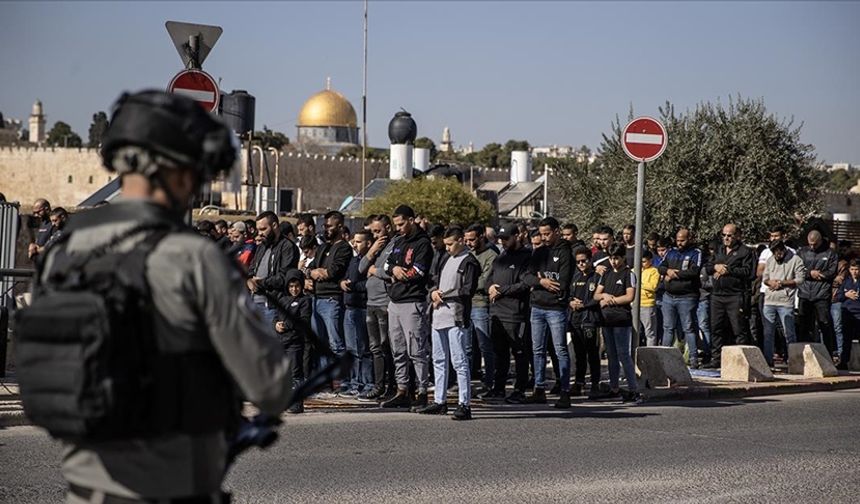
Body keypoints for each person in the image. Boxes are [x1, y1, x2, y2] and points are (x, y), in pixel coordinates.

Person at [33, 90, 293, 503]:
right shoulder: (192, 257)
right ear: (174, 170)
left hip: (85, 486)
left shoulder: (64, 252)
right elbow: (270, 384)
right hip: (171, 486)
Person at [418, 226, 480, 420]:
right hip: (438, 316)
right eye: (445, 244)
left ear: (461, 240)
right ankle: (439, 400)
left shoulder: (469, 261)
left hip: (456, 316)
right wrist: (433, 293)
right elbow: (435, 281)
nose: (447, 248)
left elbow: (468, 290)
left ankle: (464, 403)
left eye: (450, 244)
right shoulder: (446, 258)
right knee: (439, 360)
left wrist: (444, 295)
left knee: (459, 361)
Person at [381, 205, 434, 410]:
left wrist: (401, 275)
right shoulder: (398, 241)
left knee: (417, 350)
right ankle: (402, 389)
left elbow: (418, 271)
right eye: (396, 225)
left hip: (413, 302)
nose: (398, 228)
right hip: (395, 302)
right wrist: (394, 269)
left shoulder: (423, 244)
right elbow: (386, 265)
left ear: (412, 220)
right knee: (398, 350)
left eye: (401, 224)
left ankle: (421, 391)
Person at [523, 217, 573, 409]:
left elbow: (562, 282)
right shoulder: (539, 252)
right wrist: (541, 282)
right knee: (537, 350)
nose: (544, 238)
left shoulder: (565, 252)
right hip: (537, 306)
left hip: (556, 308)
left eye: (547, 234)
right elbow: (527, 276)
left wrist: (547, 282)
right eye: (541, 234)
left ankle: (565, 391)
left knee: (560, 350)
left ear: (556, 231)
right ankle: (539, 388)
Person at [308, 210, 354, 389]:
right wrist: (313, 272)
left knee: (336, 344)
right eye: (324, 225)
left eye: (329, 226)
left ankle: (342, 381)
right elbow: (310, 268)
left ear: (340, 226)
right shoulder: (322, 247)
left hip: (331, 299)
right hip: (316, 298)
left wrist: (320, 272)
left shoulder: (343, 248)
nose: (326, 229)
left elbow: (333, 272)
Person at [486, 226, 532, 403]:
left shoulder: (526, 257)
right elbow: (489, 278)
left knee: (519, 353)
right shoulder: (500, 257)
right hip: (497, 312)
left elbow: (525, 284)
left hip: (515, 314)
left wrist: (502, 291)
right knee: (500, 353)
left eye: (506, 238)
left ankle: (519, 389)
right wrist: (490, 287)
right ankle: (498, 388)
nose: (503, 242)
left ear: (516, 236)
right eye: (501, 239)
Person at [704, 223, 755, 368]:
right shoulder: (719, 250)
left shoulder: (745, 251)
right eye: (724, 235)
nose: (726, 238)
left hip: (735, 295)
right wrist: (715, 267)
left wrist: (728, 270)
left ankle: (742, 360)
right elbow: (708, 267)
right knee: (716, 327)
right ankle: (716, 359)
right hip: (717, 295)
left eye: (729, 235)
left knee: (738, 328)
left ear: (737, 236)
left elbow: (748, 272)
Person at [358, 214, 398, 401]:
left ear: (388, 228)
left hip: (385, 303)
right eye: (372, 232)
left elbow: (393, 273)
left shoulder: (395, 246)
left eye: (378, 231)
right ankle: (379, 385)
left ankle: (393, 386)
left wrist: (375, 271)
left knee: (387, 346)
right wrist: (372, 250)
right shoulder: (377, 248)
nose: (375, 235)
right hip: (371, 303)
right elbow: (361, 268)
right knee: (375, 347)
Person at [593, 244, 640, 402]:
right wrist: (604, 296)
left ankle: (633, 390)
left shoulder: (628, 274)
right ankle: (614, 388)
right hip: (607, 320)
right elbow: (596, 295)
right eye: (611, 258)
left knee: (624, 355)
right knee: (611, 356)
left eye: (616, 258)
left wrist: (611, 301)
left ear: (623, 258)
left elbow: (629, 297)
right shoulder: (606, 274)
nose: (614, 262)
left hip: (621, 320)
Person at [658, 227, 703, 367]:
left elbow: (694, 271)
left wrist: (676, 274)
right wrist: (669, 271)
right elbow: (661, 267)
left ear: (689, 239)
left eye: (682, 240)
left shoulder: (696, 253)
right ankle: (664, 356)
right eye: (678, 240)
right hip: (669, 296)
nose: (679, 243)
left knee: (688, 327)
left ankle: (693, 358)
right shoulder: (671, 252)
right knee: (668, 328)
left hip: (687, 297)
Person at [247, 211, 298, 331]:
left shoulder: (287, 247)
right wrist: (249, 280)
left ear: (274, 226)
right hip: (255, 301)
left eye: (263, 229)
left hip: (273, 305)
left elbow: (284, 276)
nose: (260, 233)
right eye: (258, 229)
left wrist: (261, 282)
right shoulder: (262, 246)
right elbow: (251, 269)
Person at [464, 223, 499, 397]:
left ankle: (489, 383)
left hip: (481, 305)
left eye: (472, 239)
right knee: (467, 347)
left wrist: (465, 285)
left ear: (481, 237)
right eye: (466, 240)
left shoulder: (491, 256)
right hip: (466, 304)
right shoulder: (467, 255)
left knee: (485, 346)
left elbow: (484, 282)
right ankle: (466, 383)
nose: (469, 243)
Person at [761, 240, 806, 367]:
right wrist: (771, 283)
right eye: (774, 253)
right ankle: (768, 362)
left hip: (785, 301)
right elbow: (765, 278)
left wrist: (782, 283)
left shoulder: (796, 260)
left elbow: (800, 279)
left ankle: (792, 361)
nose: (777, 256)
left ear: (783, 250)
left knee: (789, 333)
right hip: (769, 300)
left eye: (778, 252)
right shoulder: (770, 260)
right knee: (768, 333)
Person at [275, 270, 313, 414]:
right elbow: (276, 315)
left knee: (296, 372)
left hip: (296, 342)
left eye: (297, 286)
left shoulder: (305, 300)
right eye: (291, 286)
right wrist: (276, 325)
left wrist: (287, 325)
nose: (294, 289)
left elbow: (304, 321)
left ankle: (297, 403)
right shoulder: (283, 299)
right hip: (282, 340)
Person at [341, 229, 373, 396]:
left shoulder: (371, 261)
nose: (355, 244)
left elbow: (369, 284)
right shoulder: (354, 260)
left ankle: (367, 383)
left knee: (364, 349)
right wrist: (343, 283)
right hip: (349, 308)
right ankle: (354, 382)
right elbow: (346, 277)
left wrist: (354, 286)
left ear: (368, 243)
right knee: (351, 349)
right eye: (354, 241)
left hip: (362, 308)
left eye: (359, 241)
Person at [796, 230, 838, 354]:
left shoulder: (830, 253)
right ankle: (803, 353)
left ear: (820, 240)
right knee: (804, 325)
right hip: (805, 293)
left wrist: (821, 275)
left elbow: (832, 272)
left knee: (824, 324)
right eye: (810, 244)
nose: (812, 246)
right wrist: (810, 273)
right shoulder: (802, 252)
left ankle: (829, 354)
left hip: (822, 294)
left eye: (815, 244)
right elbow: (798, 269)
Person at [568, 246, 602, 398]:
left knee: (592, 353)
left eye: (584, 261)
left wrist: (584, 305)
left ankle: (595, 384)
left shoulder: (597, 276)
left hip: (590, 319)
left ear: (590, 260)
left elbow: (598, 297)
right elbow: (568, 293)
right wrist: (570, 302)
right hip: (575, 320)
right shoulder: (574, 277)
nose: (581, 264)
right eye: (578, 262)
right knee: (579, 353)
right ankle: (579, 383)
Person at [837, 259, 860, 370]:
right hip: (847, 312)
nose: (854, 272)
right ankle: (844, 361)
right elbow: (838, 296)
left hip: (858, 312)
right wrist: (846, 294)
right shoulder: (846, 281)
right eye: (852, 269)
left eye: (856, 269)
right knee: (846, 339)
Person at [640, 250, 660, 347]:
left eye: (644, 261)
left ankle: (650, 354)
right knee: (636, 332)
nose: (642, 264)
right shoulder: (634, 270)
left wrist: (640, 284)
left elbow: (653, 286)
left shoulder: (654, 271)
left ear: (650, 261)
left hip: (647, 305)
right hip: (635, 305)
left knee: (650, 332)